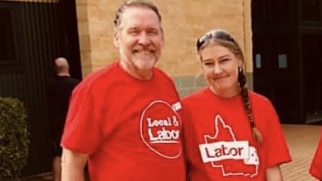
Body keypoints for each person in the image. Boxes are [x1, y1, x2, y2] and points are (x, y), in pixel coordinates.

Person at [60, 1, 186, 181]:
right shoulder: (94, 89)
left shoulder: (166, 82)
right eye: (134, 31)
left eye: (152, 32)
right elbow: (72, 160)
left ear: (162, 39)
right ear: (117, 38)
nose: (144, 40)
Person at [182, 28, 291, 180]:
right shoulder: (187, 109)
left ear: (239, 60)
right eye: (209, 64)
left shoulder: (262, 106)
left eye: (224, 60)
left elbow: (272, 169)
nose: (217, 70)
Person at [47, 57, 80, 181]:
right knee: (75, 153)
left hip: (56, 123)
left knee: (57, 154)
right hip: (72, 123)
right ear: (68, 67)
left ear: (55, 69)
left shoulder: (51, 85)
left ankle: (57, 179)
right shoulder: (76, 84)